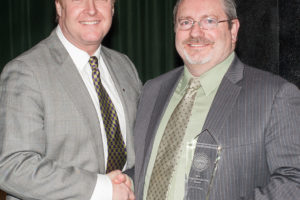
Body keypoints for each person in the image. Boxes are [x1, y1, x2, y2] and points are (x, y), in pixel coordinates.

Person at [133, 0, 300, 199]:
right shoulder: (152, 90)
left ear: (233, 29)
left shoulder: (274, 96)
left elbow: (294, 182)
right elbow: (144, 171)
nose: (195, 33)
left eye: (209, 21)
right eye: (186, 22)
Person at [0, 0, 142, 199]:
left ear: (112, 6)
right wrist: (102, 188)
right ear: (59, 7)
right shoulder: (26, 71)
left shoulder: (124, 66)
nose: (91, 9)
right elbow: (12, 167)